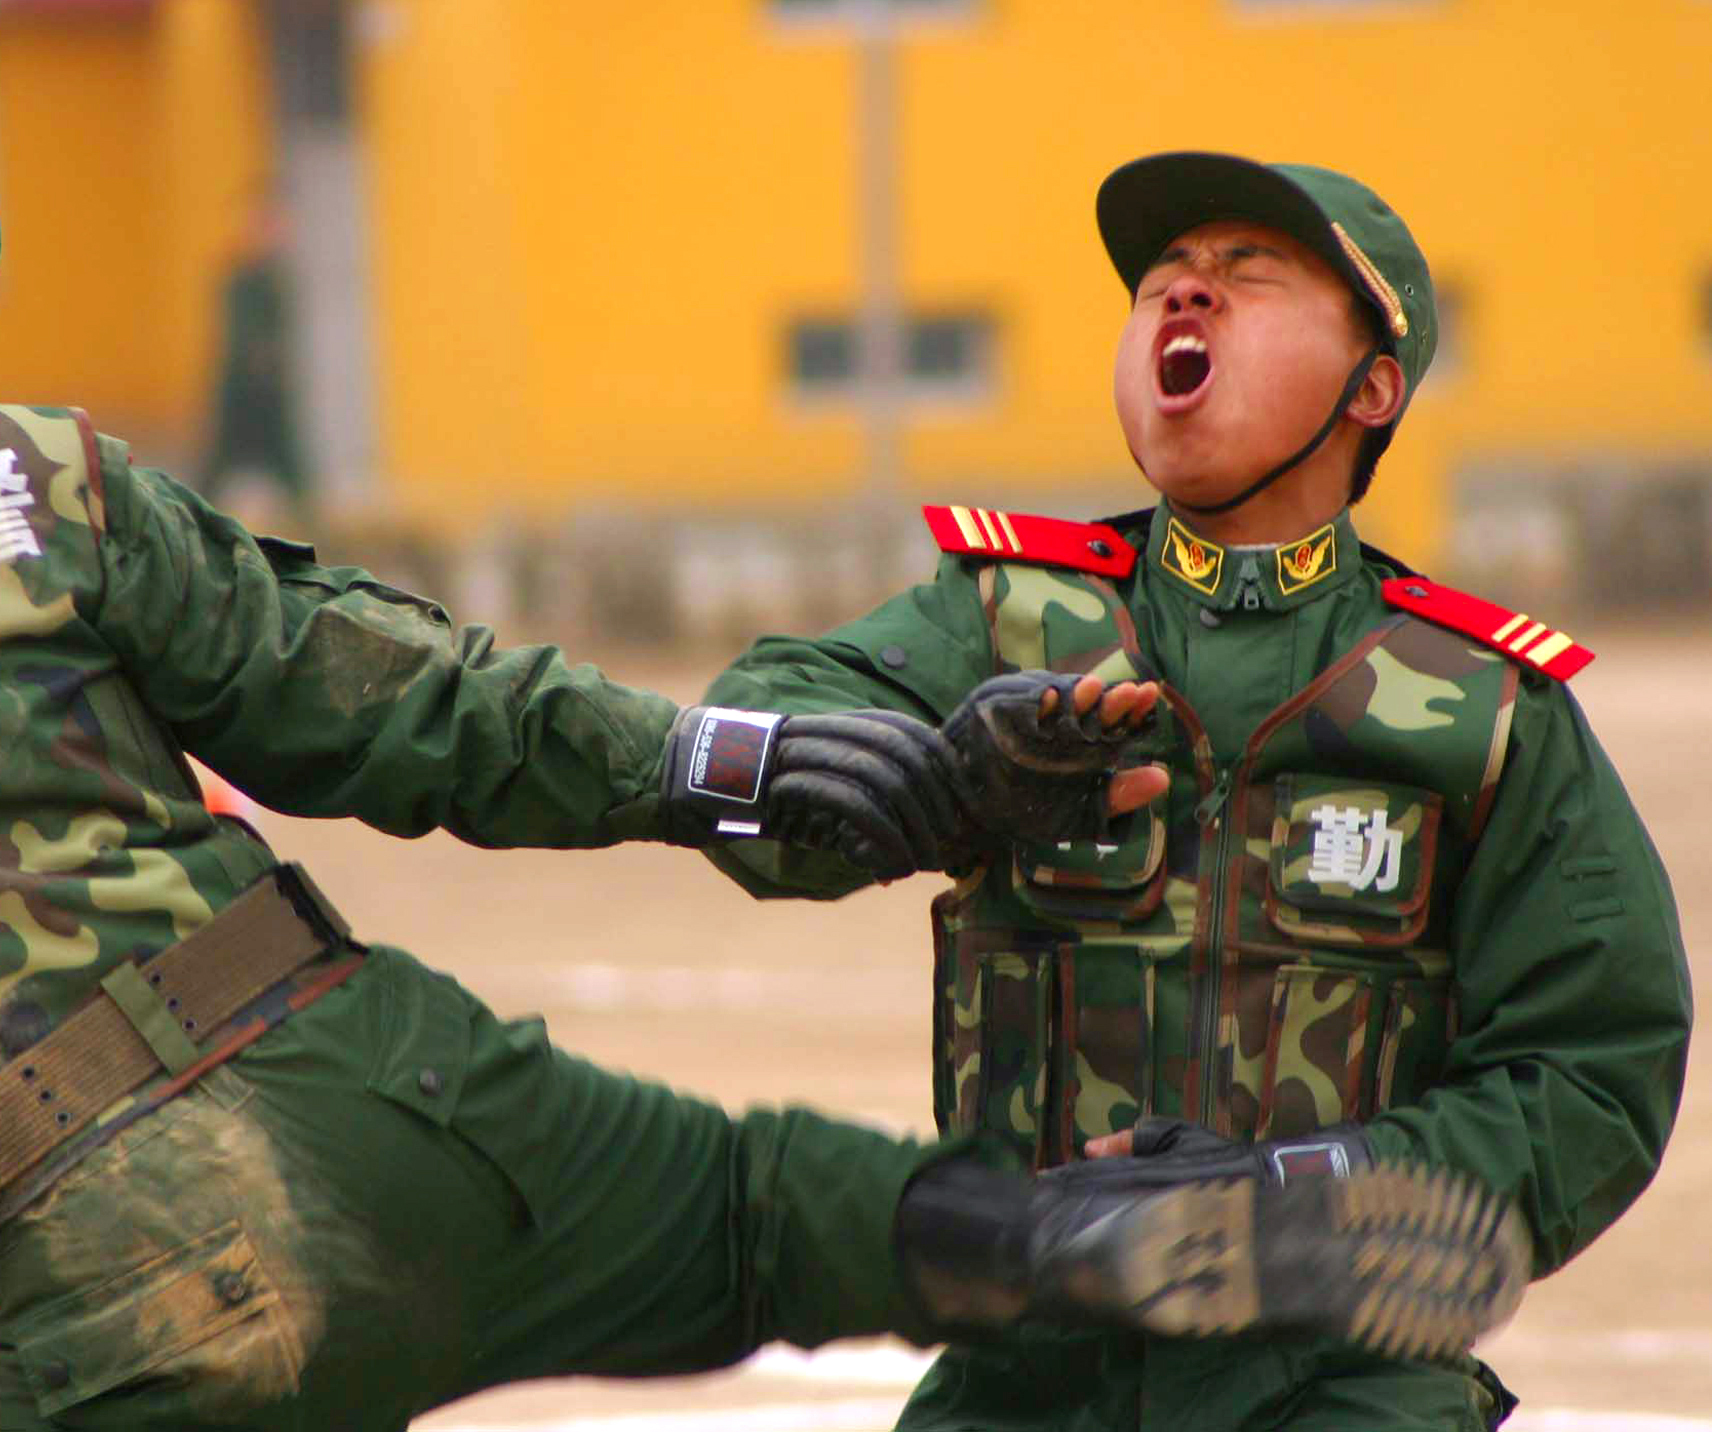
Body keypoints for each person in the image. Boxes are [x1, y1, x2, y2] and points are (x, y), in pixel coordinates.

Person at [0, 108, 1528, 1432]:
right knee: (751, 1206)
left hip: (133, 1271)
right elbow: (400, 700)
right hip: (397, 1086)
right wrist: (724, 757)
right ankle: (1060, 1233)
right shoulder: (33, 474)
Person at [699, 151, 1693, 1430]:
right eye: (1162, 277)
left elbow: (1594, 1064)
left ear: (1371, 385)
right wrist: (940, 776)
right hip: (1026, 1378)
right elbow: (746, 743)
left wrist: (1293, 1199)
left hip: (1342, 1381)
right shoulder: (1005, 621)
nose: (1184, 293)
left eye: (1245, 272)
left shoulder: (1483, 703)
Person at [197, 191, 310, 519]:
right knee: (219, 462)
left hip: (268, 388)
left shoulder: (276, 279)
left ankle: (307, 518)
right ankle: (194, 516)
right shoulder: (241, 279)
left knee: (290, 465)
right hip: (243, 388)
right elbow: (240, 334)